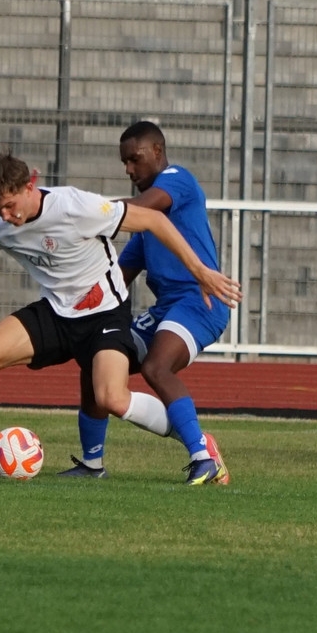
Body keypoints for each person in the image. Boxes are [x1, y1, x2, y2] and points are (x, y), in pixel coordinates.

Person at [0, 148, 242, 485]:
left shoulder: (75, 206)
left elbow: (151, 218)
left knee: (112, 398)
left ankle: (198, 442)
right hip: (57, 313)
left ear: (29, 185)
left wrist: (200, 272)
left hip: (105, 315)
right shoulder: (0, 226)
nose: (6, 216)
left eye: (10, 205)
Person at [83, 120, 232, 483]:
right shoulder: (146, 231)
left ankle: (202, 456)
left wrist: (79, 212)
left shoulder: (178, 178)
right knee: (98, 357)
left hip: (200, 303)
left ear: (157, 151)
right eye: (124, 162)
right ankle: (91, 464)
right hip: (166, 309)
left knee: (156, 368)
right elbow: (116, 278)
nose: (129, 169)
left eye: (134, 159)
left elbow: (137, 208)